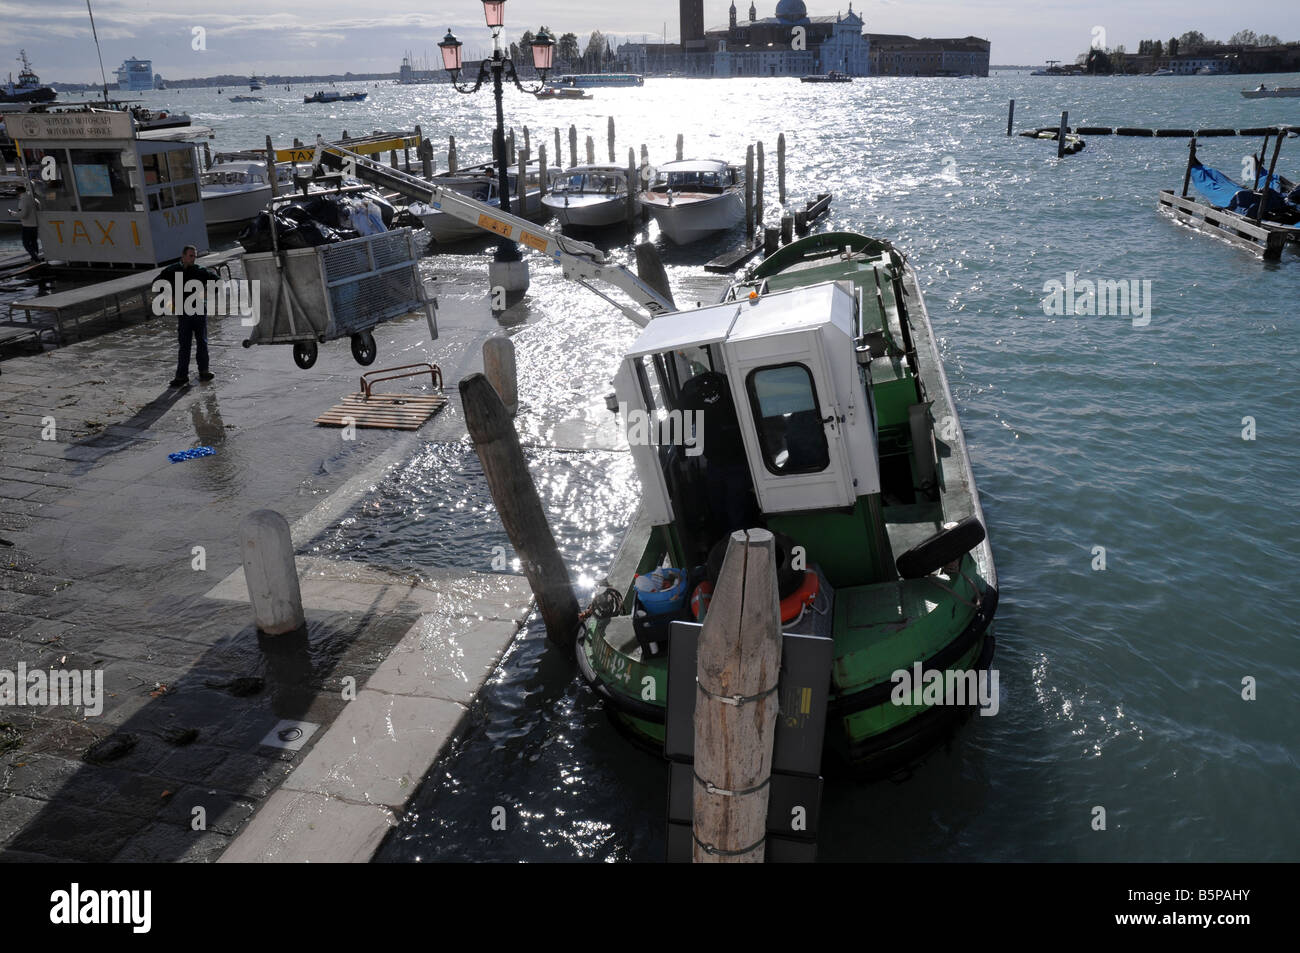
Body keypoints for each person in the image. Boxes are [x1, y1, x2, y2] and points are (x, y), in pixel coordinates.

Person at [155, 244, 218, 388]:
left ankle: (204, 371)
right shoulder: (173, 270)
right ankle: (181, 376)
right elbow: (157, 284)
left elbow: (218, 281)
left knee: (202, 342)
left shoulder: (200, 270)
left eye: (195, 256)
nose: (193, 258)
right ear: (183, 256)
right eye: (190, 255)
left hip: (199, 311)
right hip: (184, 313)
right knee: (185, 345)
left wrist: (208, 292)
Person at [7, 182, 41, 263]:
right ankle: (35, 257)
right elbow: (39, 206)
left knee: (26, 243)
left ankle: (35, 258)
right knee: (34, 241)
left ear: (19, 192)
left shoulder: (23, 200)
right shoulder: (32, 198)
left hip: (27, 225)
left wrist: (12, 213)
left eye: (16, 192)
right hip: (35, 224)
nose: (16, 194)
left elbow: (23, 214)